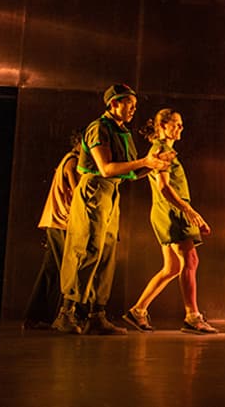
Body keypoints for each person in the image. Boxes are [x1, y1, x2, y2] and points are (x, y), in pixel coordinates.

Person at [53, 84, 173, 335]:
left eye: (134, 105)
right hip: (94, 190)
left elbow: (128, 172)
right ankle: (68, 313)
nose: (133, 109)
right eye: (128, 103)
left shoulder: (122, 131)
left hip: (112, 192)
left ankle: (97, 315)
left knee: (107, 252)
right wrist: (144, 162)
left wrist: (154, 165)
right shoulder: (99, 128)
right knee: (87, 250)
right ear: (113, 103)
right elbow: (106, 168)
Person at [122, 109, 217, 335]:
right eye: (176, 124)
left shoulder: (164, 151)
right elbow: (164, 187)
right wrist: (189, 210)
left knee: (172, 267)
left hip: (168, 212)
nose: (180, 128)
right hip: (172, 213)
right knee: (190, 260)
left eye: (181, 124)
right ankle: (192, 316)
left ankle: (138, 310)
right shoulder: (161, 151)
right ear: (163, 126)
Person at [22, 133, 81, 330]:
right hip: (61, 222)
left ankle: (36, 317)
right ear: (79, 144)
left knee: (52, 269)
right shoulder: (72, 162)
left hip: (56, 221)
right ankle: (60, 316)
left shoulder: (68, 159)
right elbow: (76, 193)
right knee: (67, 269)